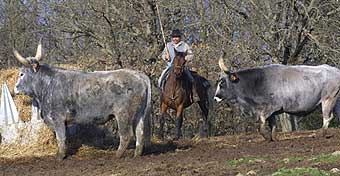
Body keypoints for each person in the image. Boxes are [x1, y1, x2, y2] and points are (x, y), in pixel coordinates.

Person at [158, 29, 199, 102]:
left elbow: (191, 55)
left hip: (181, 67)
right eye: (173, 37)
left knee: (191, 79)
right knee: (160, 79)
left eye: (177, 37)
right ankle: (161, 94)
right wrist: (166, 57)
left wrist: (184, 59)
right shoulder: (168, 45)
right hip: (170, 66)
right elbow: (163, 55)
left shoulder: (185, 45)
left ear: (180, 38)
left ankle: (194, 94)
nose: (175, 38)